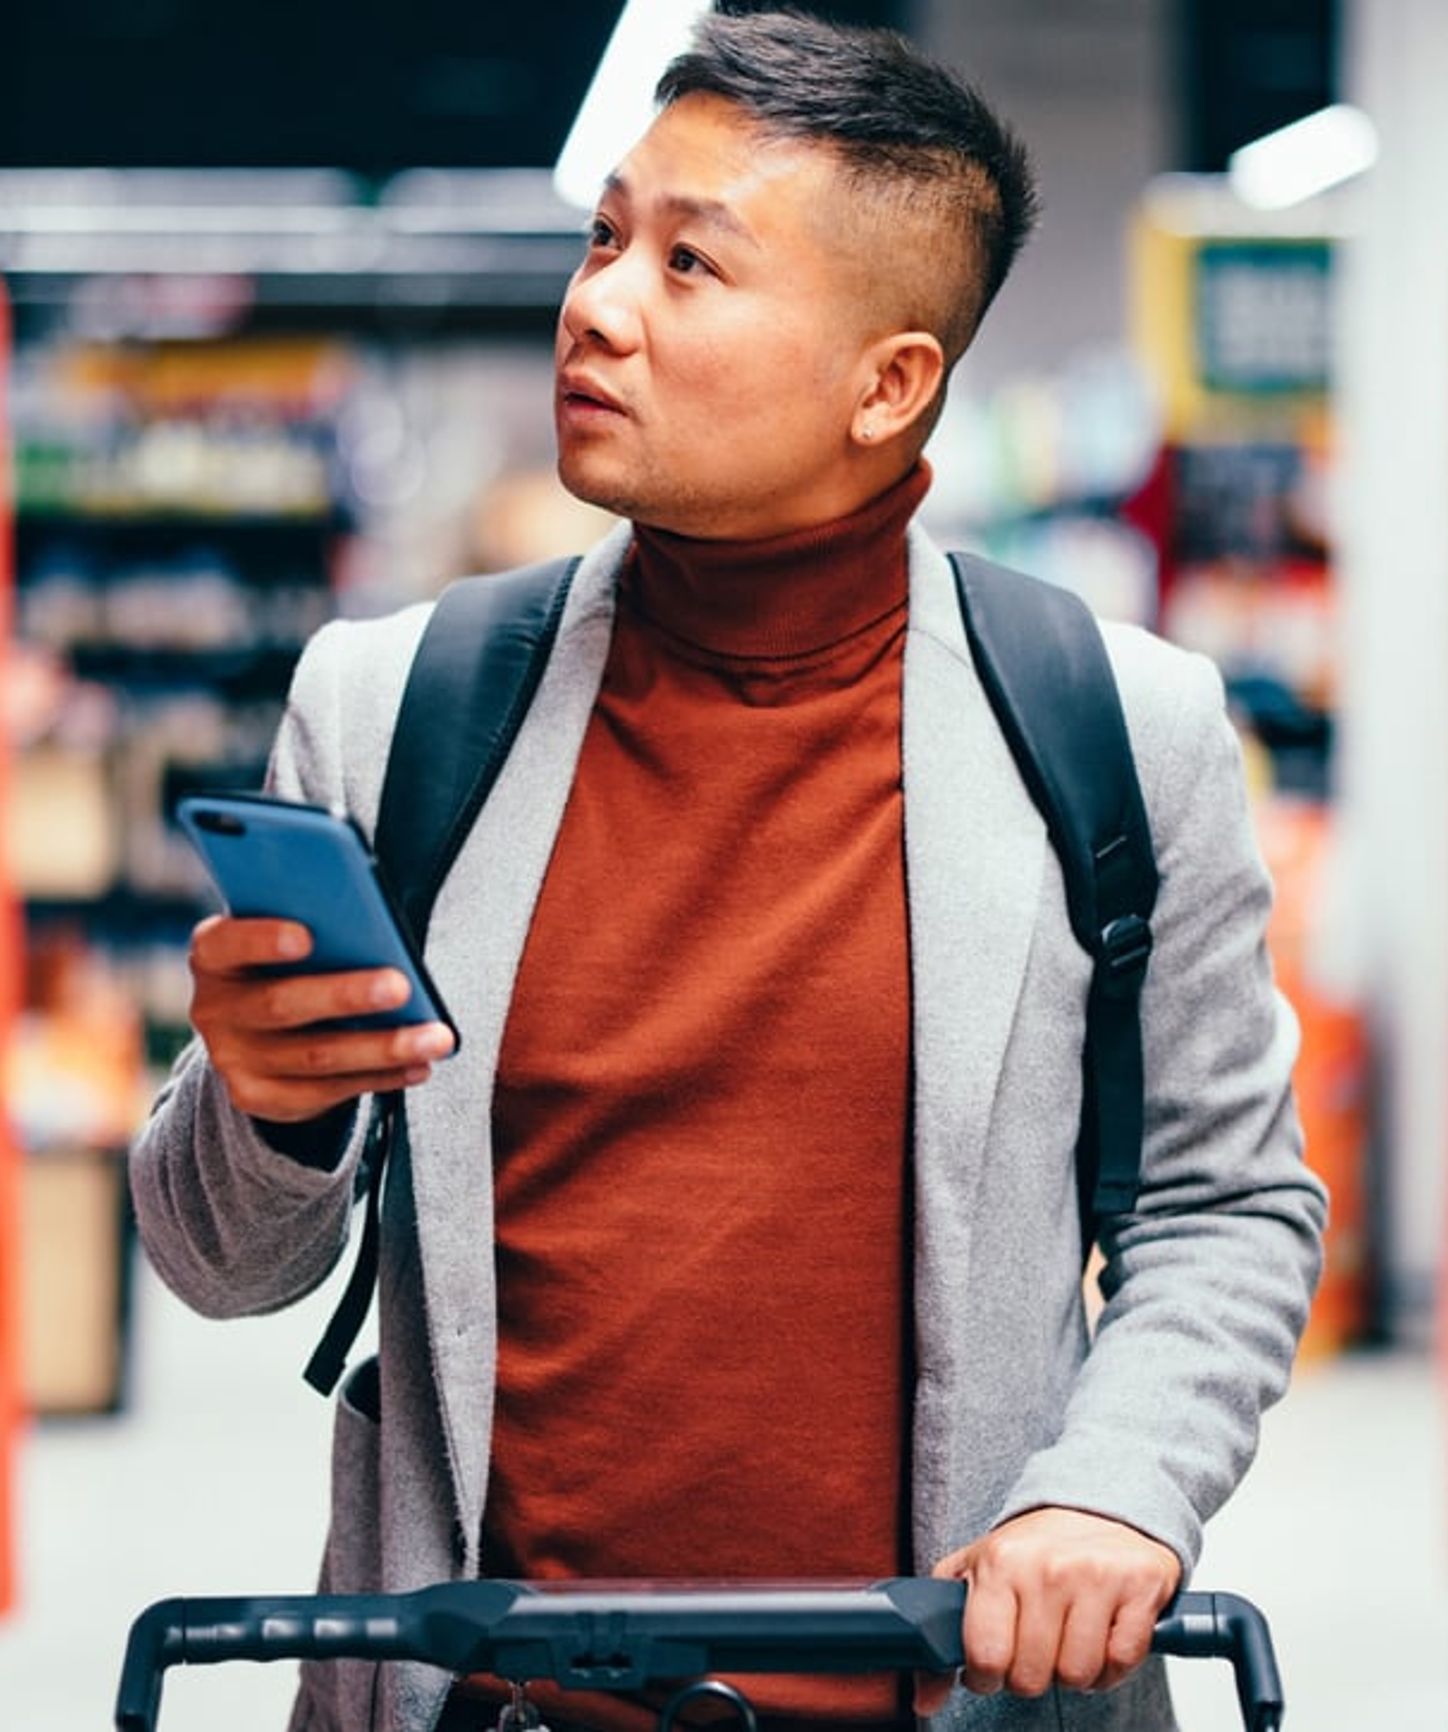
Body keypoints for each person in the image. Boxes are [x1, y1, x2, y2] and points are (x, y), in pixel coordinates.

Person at [129, 10, 1326, 1732]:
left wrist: (1115, 1481)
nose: (597, 303)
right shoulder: (394, 710)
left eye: (693, 265)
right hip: (485, 1703)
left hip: (953, 1698)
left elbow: (1228, 1199)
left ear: (888, 384)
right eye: (606, 236)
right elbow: (218, 1262)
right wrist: (273, 1106)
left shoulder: (1117, 733)